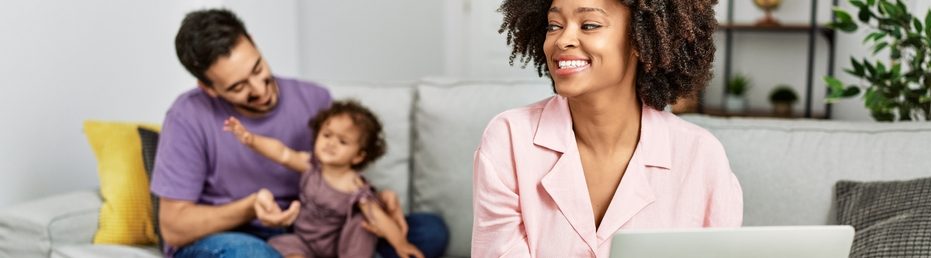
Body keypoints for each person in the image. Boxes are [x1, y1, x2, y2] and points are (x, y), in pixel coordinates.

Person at [151, 9, 447, 258]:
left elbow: (336, 176)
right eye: (238, 87)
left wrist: (378, 200)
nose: (259, 89)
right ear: (209, 88)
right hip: (228, 236)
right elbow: (175, 227)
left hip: (310, 228)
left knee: (430, 231)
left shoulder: (314, 99)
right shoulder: (187, 117)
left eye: (257, 69)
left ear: (254, 43)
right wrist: (250, 207)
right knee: (252, 253)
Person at [471, 0, 743, 257]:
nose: (562, 40)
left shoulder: (701, 156)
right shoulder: (509, 139)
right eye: (554, 25)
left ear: (639, 39)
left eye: (589, 25)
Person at [223, 100, 425, 258]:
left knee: (362, 223)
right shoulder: (311, 165)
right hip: (302, 240)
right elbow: (282, 153)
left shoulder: (354, 186)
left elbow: (378, 217)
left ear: (358, 156)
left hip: (337, 247)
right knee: (290, 250)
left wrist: (401, 243)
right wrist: (251, 139)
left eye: (342, 141)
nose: (331, 144)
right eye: (327, 135)